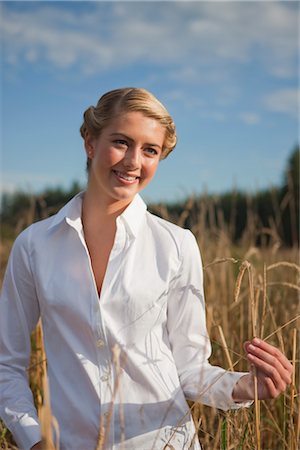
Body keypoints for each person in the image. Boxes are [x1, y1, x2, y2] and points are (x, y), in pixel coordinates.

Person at [0, 88, 293, 450]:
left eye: (150, 150)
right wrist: (32, 440)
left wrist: (244, 386)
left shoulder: (176, 244)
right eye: (121, 142)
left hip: (163, 442)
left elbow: (189, 367)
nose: (134, 162)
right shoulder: (33, 246)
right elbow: (6, 365)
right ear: (90, 142)